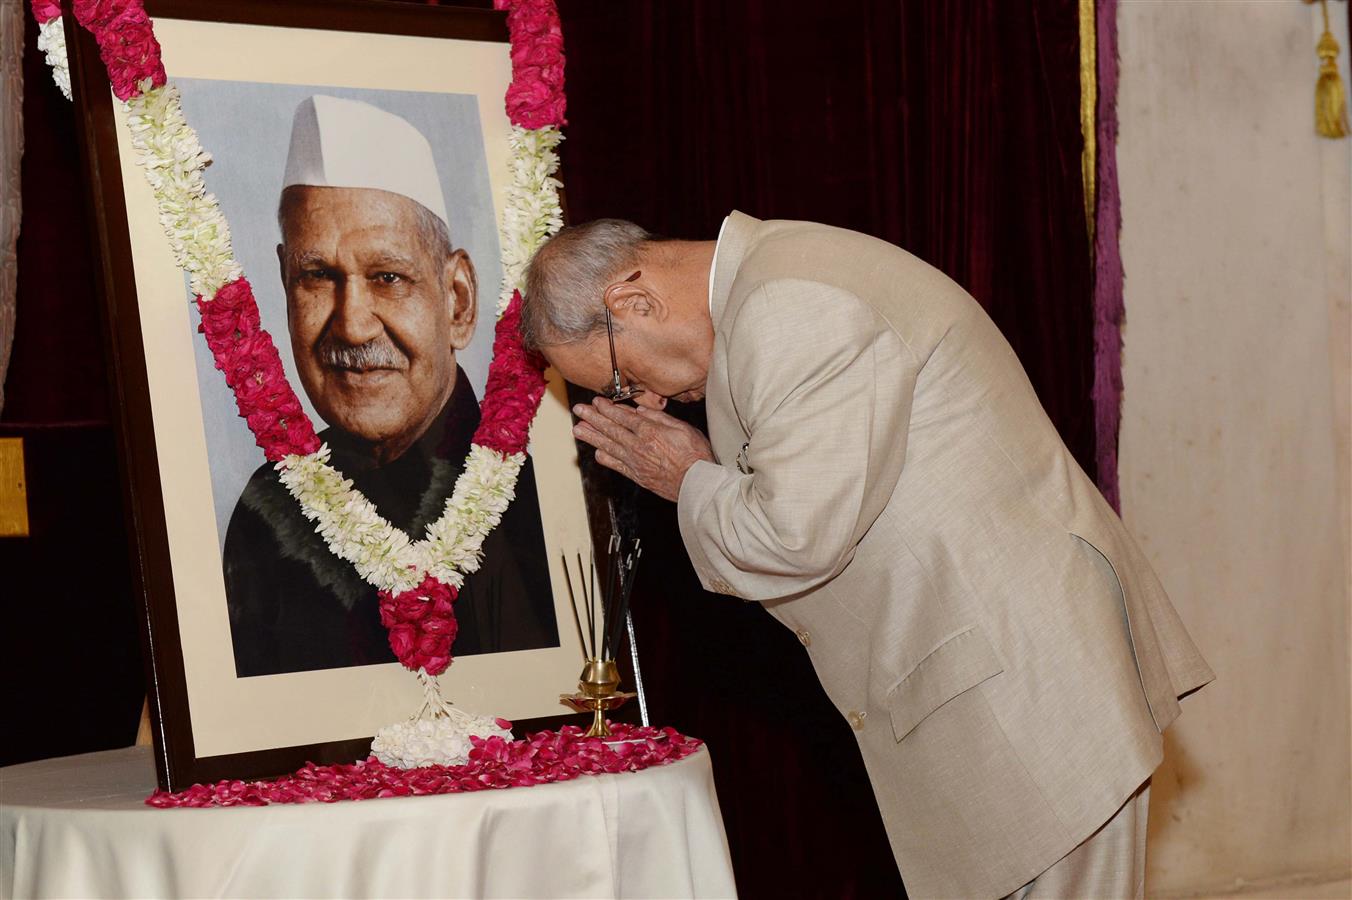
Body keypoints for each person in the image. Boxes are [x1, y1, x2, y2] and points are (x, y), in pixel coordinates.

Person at [520, 212, 1214, 900]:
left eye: (618, 383)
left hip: (1021, 689)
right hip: (990, 679)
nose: (646, 401)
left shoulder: (791, 303)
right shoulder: (774, 284)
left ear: (636, 301)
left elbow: (793, 537)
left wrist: (689, 480)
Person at [223, 95, 557, 677]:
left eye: (387, 277)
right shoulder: (266, 511)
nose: (351, 323)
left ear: (457, 300)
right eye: (318, 276)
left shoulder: (543, 492)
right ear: (283, 282)